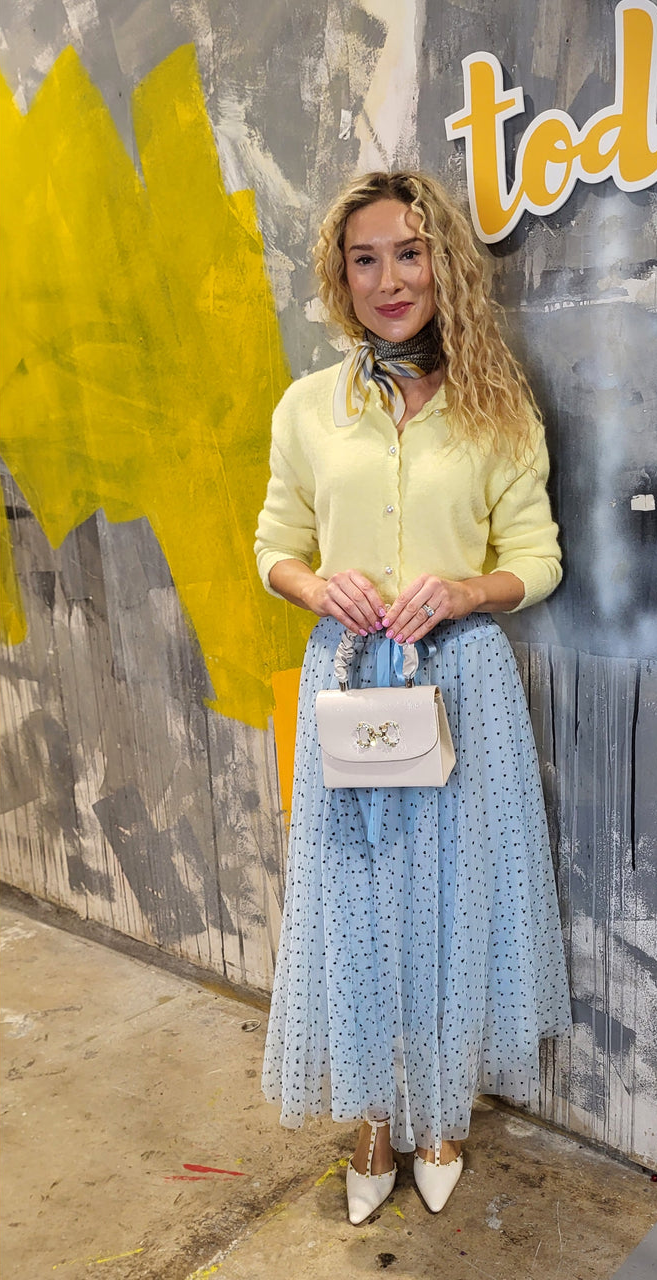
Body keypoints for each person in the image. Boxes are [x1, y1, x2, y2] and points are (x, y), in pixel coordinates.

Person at [254, 170, 571, 1225]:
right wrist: (316, 586)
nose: (389, 278)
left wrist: (469, 589)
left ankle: (440, 1112)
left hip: (460, 679)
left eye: (410, 251)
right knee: (355, 899)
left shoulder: (496, 404)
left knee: (453, 900)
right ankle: (372, 1114)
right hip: (350, 680)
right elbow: (274, 544)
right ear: (341, 276)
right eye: (366, 258)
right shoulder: (309, 408)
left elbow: (537, 555)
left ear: (443, 265)